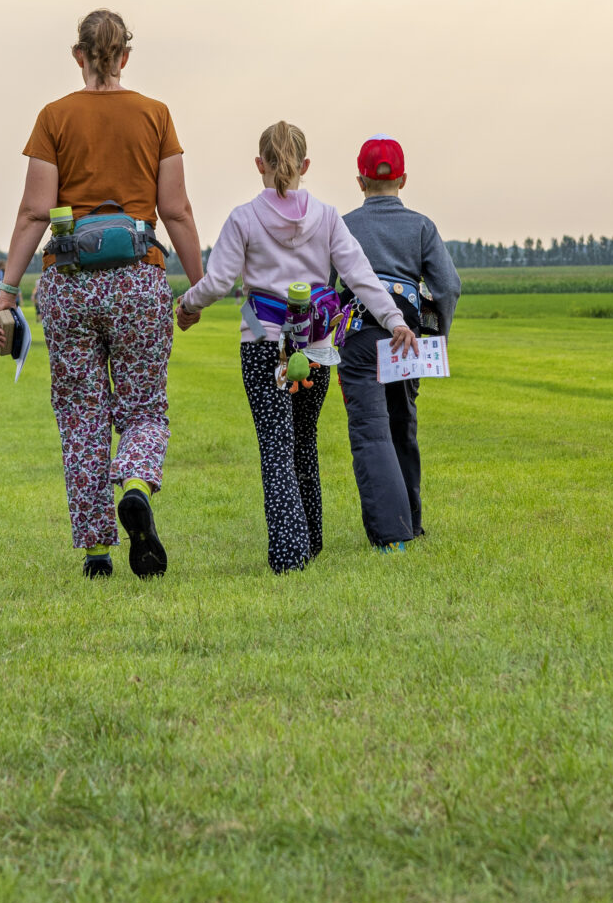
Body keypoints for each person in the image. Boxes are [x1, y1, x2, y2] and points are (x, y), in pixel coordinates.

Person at [0, 9, 207, 579]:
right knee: (144, 408)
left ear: (78, 56)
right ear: (126, 57)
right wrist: (198, 286)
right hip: (138, 278)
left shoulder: (54, 116)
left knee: (80, 415)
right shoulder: (155, 115)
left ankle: (96, 552)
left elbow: (36, 210)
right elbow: (175, 209)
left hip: (69, 281)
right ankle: (134, 482)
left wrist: (7, 292)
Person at [177, 122, 415, 574]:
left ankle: (290, 556)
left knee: (276, 448)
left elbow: (220, 282)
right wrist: (396, 320)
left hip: (264, 346)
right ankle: (311, 539)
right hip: (318, 348)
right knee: (304, 441)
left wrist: (187, 306)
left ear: (259, 165)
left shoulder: (243, 218)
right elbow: (360, 276)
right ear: (305, 166)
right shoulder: (326, 217)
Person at [339, 137, 460, 549]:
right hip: (405, 337)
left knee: (371, 430)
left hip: (357, 333)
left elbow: (324, 283)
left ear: (360, 181)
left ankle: (389, 532)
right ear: (403, 179)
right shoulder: (421, 226)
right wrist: (437, 336)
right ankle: (412, 520)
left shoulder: (345, 224)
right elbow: (448, 287)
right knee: (402, 425)